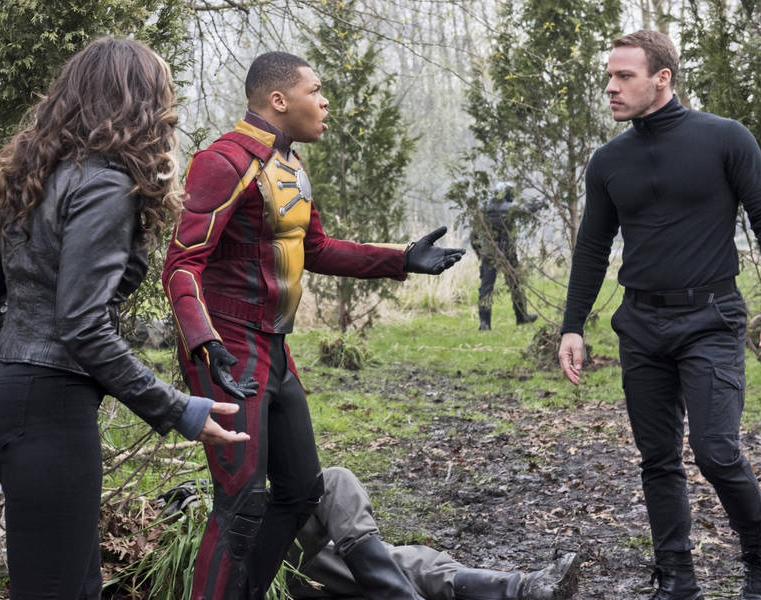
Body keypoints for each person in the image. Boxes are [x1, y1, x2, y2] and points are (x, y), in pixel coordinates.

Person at [161, 51, 465, 600]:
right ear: (279, 100)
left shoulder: (290, 165)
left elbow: (316, 248)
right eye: (316, 91)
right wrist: (204, 342)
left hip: (274, 349)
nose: (325, 103)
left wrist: (401, 258)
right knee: (240, 501)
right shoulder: (223, 161)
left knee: (301, 491)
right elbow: (182, 263)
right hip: (228, 350)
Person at [0, 37, 249, 599]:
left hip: (6, 399)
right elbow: (82, 325)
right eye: (163, 96)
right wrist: (180, 409)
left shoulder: (26, 175)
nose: (169, 111)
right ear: (139, 104)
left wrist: (22, 368)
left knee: (68, 583)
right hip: (49, 414)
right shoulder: (107, 184)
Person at [556, 30, 761, 600]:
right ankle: (676, 578)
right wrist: (572, 325)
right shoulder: (609, 161)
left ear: (662, 78)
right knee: (658, 459)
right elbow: (592, 247)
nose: (611, 87)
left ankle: (759, 557)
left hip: (710, 318)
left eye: (624, 76)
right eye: (609, 76)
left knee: (717, 451)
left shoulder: (724, 139)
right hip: (640, 324)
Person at [287, 466, 579, 600]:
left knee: (392, 560)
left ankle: (521, 588)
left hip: (275, 551)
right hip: (260, 566)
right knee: (334, 484)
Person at [470, 182, 538, 330]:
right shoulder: (510, 208)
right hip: (508, 253)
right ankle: (522, 317)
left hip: (489, 254)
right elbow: (527, 210)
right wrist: (539, 204)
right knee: (515, 285)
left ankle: (484, 323)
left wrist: (480, 253)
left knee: (486, 288)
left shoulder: (484, 209)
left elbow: (474, 236)